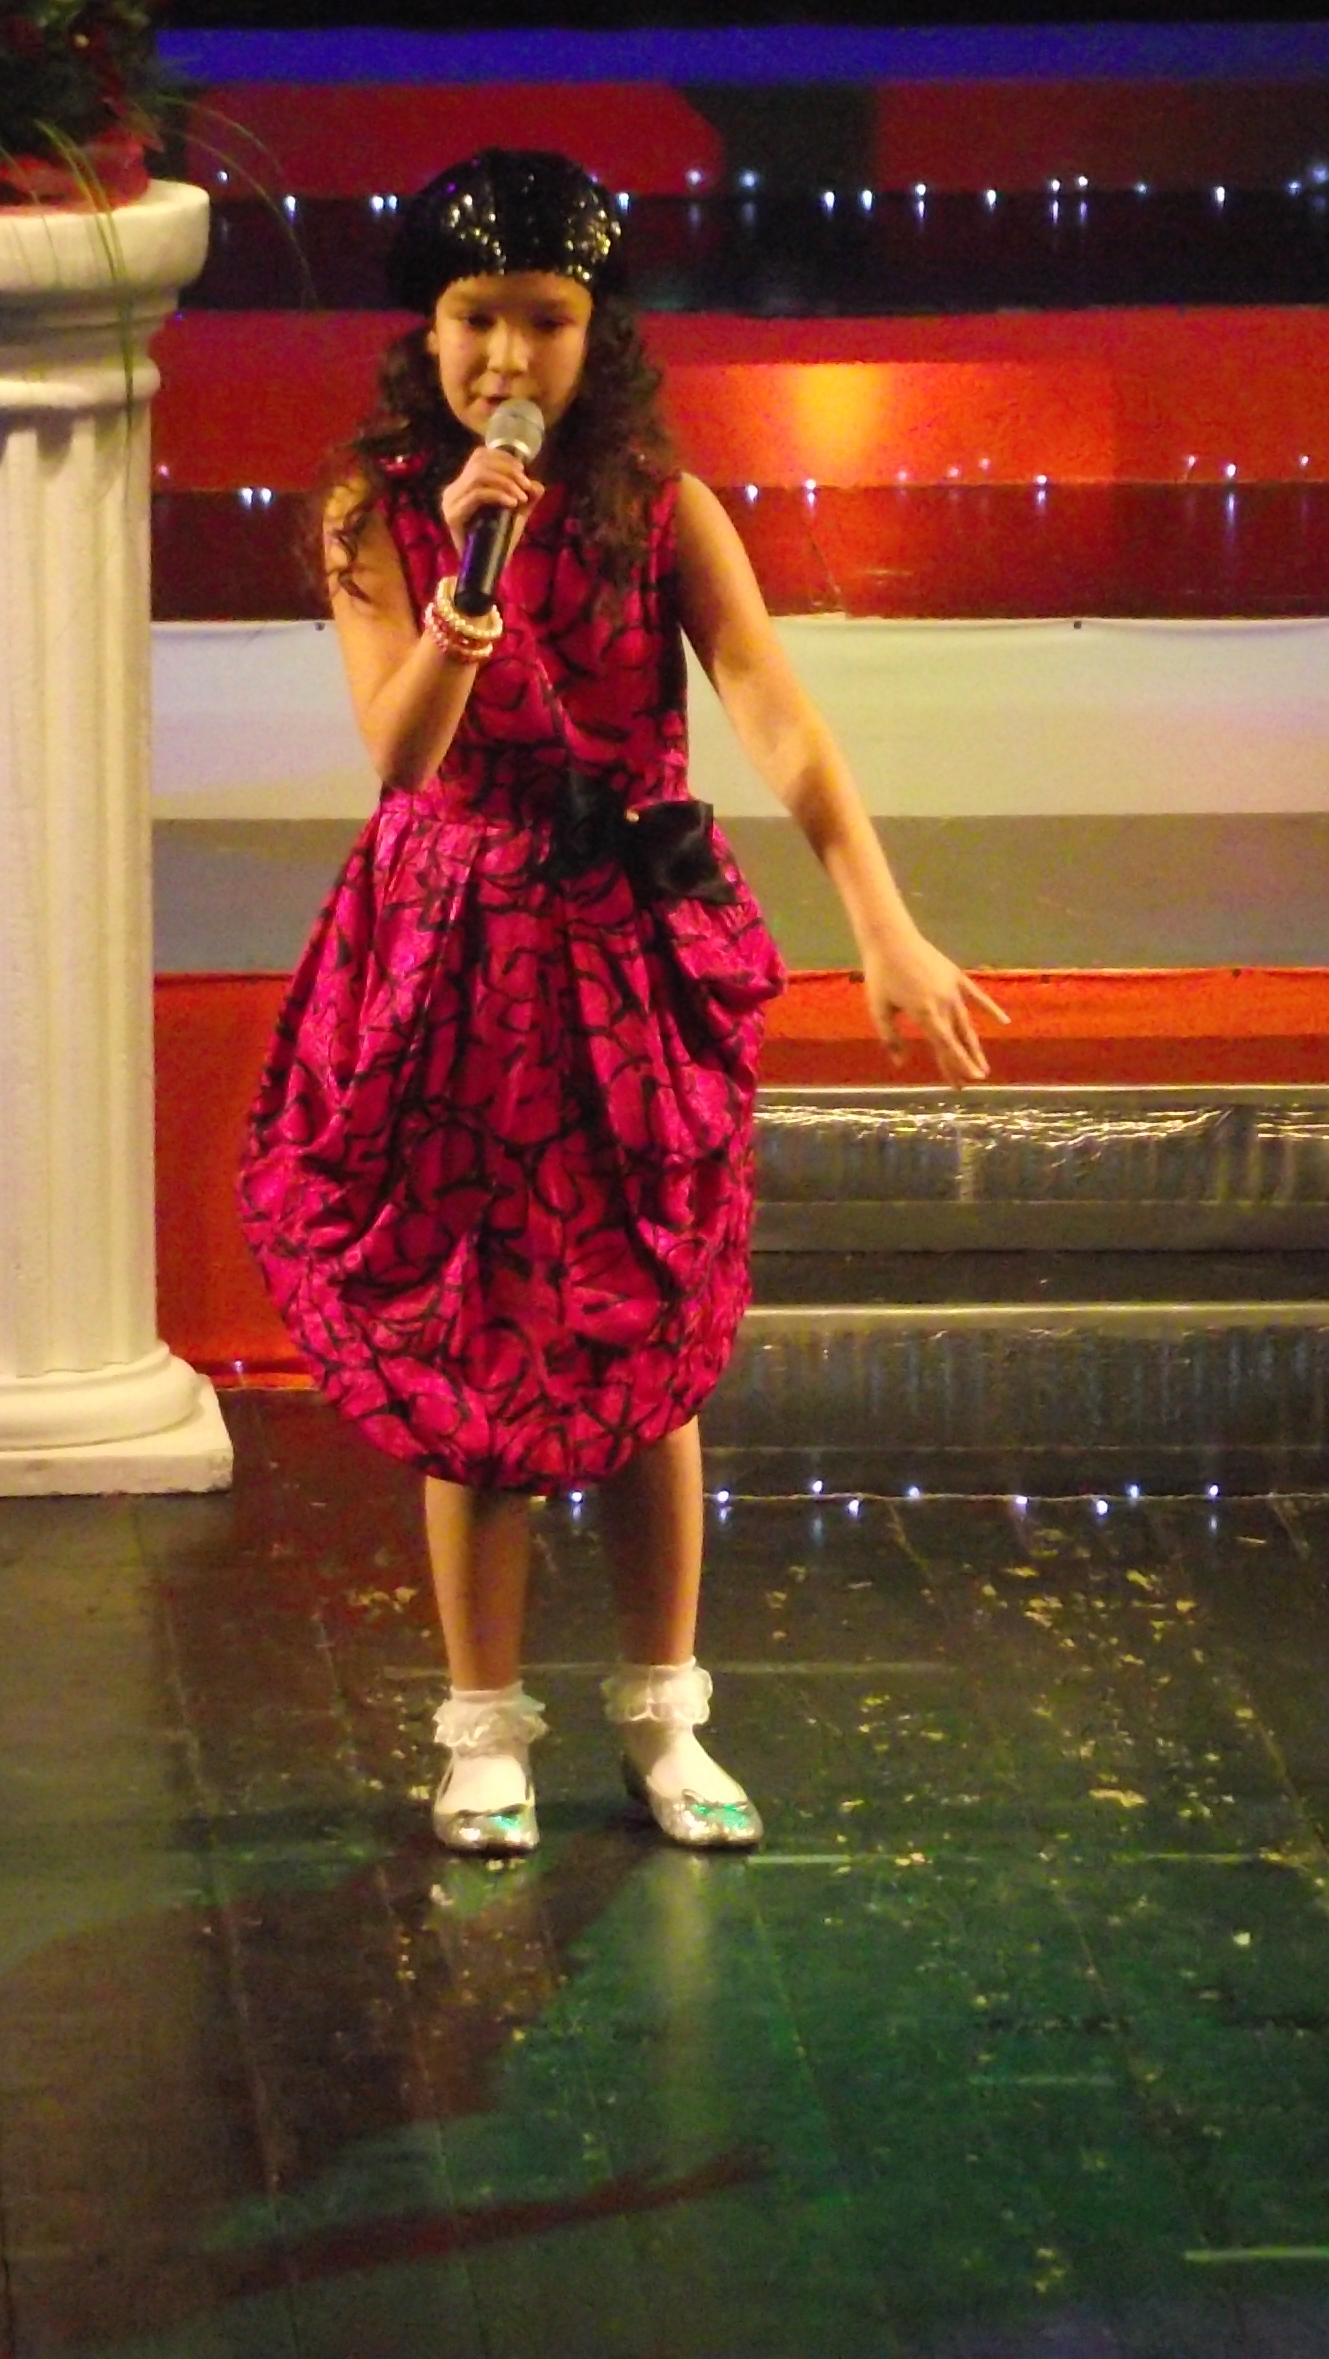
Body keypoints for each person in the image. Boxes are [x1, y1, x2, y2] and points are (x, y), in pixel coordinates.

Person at [240, 148, 1003, 1856]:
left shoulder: (662, 505)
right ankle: (481, 1733)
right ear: (427, 327)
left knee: (651, 1343)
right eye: (476, 317)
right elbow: (400, 754)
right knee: (478, 1347)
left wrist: (883, 924)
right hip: (455, 953)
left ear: (600, 334)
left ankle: (666, 1717)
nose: (508, 356)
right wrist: (468, 585)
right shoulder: (375, 506)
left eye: (547, 319)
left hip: (626, 952)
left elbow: (775, 712)